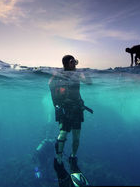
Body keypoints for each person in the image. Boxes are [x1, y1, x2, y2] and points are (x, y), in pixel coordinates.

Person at [49, 55, 92, 186]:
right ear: (66, 63)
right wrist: (56, 105)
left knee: (77, 137)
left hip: (77, 108)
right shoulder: (59, 74)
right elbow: (50, 84)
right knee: (63, 133)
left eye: (75, 61)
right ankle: (59, 160)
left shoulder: (77, 74)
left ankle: (73, 158)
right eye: (73, 62)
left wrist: (84, 74)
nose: (75, 64)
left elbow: (89, 83)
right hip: (65, 108)